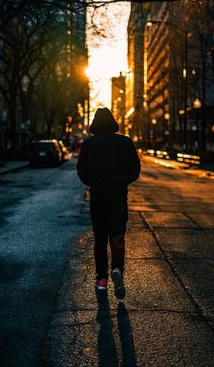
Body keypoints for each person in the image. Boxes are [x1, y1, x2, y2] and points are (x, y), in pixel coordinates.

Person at [77, 107, 140, 299]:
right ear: (113, 123)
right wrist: (121, 182)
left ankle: (101, 279)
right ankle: (118, 270)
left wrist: (95, 183)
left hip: (99, 199)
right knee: (118, 239)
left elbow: (81, 171)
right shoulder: (125, 142)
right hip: (118, 199)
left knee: (100, 241)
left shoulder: (89, 144)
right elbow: (135, 169)